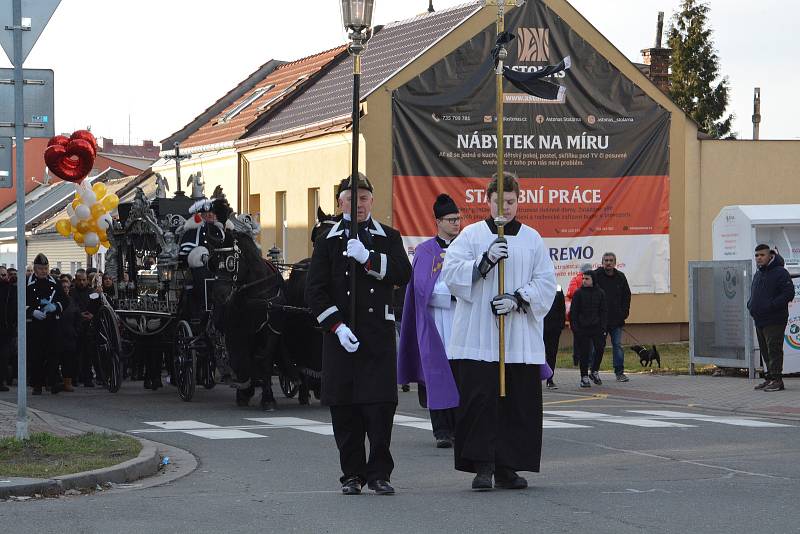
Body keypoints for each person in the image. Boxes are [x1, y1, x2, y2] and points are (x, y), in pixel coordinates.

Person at [441, 172, 556, 491]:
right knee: (480, 403)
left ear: (518, 201)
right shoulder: (472, 236)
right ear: (487, 201)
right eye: (497, 201)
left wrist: (518, 298)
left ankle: (508, 466)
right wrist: (483, 263)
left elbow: (546, 282)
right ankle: (483, 466)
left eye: (510, 201)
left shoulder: (532, 238)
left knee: (514, 403)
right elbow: (451, 274)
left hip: (517, 339)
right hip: (479, 337)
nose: (503, 207)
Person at [305, 173, 412, 496]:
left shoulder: (387, 237)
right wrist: (336, 326)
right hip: (342, 339)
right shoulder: (328, 241)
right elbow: (315, 291)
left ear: (372, 201)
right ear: (341, 203)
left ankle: (380, 473)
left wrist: (369, 259)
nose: (358, 204)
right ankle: (351, 474)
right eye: (351, 198)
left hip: (376, 336)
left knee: (380, 411)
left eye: (364, 198)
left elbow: (402, 273)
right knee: (346, 411)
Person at [398, 194, 461, 448]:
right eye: (451, 219)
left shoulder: (467, 247)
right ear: (438, 221)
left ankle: (460, 425)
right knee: (437, 375)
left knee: (460, 374)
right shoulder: (425, 251)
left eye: (458, 218)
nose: (457, 223)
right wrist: (455, 294)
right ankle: (442, 430)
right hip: (436, 321)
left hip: (462, 321)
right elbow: (423, 289)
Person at [748, 245, 795, 392]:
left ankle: (777, 380)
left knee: (774, 349)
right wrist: (750, 305)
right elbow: (754, 293)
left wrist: (771, 305)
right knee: (765, 350)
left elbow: (788, 293)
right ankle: (769, 378)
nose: (759, 258)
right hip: (760, 318)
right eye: (756, 255)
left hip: (775, 318)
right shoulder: (758, 273)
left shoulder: (780, 272)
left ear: (770, 256)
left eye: (762, 255)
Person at [26, 253, 68, 395]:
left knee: (53, 354)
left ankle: (52, 382)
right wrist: (32, 311)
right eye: (40, 268)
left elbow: (65, 300)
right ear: (35, 269)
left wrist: (55, 306)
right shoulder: (27, 283)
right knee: (36, 355)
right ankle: (37, 384)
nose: (44, 271)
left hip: (52, 323)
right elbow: (19, 303)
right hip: (36, 324)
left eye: (46, 268)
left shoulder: (54, 282)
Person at [593, 253, 631, 382]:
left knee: (617, 345)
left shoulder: (621, 277)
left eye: (611, 260)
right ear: (602, 262)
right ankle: (594, 371)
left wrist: (624, 313)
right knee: (598, 347)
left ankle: (619, 372)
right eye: (606, 260)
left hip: (616, 320)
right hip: (600, 321)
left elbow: (627, 296)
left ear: (615, 263)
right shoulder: (596, 276)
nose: (608, 263)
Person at [570, 270, 608, 388]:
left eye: (587, 279)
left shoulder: (600, 293)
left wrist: (603, 326)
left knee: (600, 348)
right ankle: (584, 377)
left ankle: (594, 371)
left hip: (597, 327)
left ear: (593, 280)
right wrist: (575, 328)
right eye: (583, 278)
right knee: (584, 353)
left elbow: (603, 311)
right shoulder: (578, 293)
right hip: (582, 328)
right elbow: (573, 312)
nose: (584, 281)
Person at [566, 263, 592, 365]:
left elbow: (571, 293)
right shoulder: (592, 279)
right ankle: (588, 359)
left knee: (577, 338)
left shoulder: (575, 279)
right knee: (589, 338)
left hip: (576, 314)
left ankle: (576, 359)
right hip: (588, 314)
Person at [57, 275, 80, 392]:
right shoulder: (55, 300)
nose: (65, 288)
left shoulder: (72, 301)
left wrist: (75, 331)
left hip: (70, 334)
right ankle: (53, 381)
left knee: (69, 360)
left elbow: (77, 317)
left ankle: (68, 382)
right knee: (55, 359)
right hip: (57, 334)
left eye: (67, 286)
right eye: (63, 287)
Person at [543, 285, 566, 389]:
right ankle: (533, 379)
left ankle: (550, 379)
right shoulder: (537, 285)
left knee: (551, 354)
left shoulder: (557, 288)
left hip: (554, 328)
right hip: (538, 327)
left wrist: (560, 325)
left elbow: (562, 308)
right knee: (535, 354)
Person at [0, 266, 15, 391]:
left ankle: (1, 381)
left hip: (6, 329)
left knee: (4, 356)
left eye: (4, 275)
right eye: (1, 275)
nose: (2, 277)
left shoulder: (11, 290)